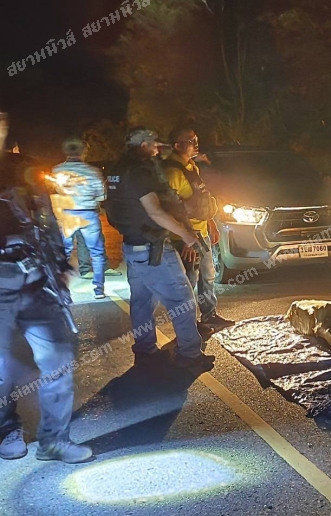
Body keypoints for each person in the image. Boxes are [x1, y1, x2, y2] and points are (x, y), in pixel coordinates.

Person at [0, 113, 92, 463]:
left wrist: (61, 267)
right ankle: (6, 429)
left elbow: (47, 220)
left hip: (37, 283)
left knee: (58, 362)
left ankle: (54, 440)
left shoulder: (22, 167)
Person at [105, 128, 215, 372]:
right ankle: (190, 355)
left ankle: (146, 351)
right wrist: (187, 235)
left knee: (142, 302)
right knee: (182, 299)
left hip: (133, 246)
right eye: (153, 142)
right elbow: (154, 211)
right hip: (152, 247)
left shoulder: (118, 169)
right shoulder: (139, 171)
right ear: (143, 145)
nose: (157, 146)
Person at [162, 126, 233, 332]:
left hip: (201, 232)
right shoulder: (172, 172)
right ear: (177, 146)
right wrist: (187, 239)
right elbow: (171, 209)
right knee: (189, 281)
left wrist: (211, 223)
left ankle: (209, 315)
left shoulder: (191, 166)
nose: (196, 143)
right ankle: (189, 324)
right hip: (185, 237)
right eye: (191, 140)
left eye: (195, 139)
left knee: (208, 275)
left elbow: (200, 199)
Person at [51, 138, 114, 299]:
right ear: (84, 152)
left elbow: (55, 190)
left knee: (64, 252)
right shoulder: (93, 171)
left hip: (67, 214)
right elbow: (102, 196)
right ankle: (99, 289)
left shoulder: (57, 170)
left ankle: (62, 288)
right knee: (96, 252)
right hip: (88, 214)